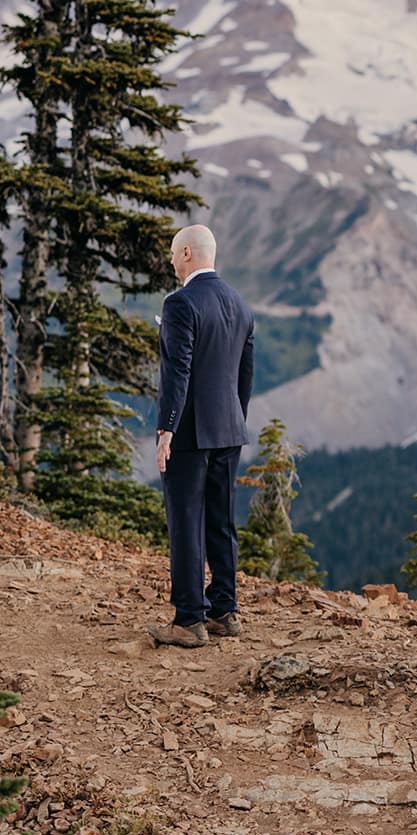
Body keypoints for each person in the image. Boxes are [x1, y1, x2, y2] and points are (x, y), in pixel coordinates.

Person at [149, 225, 255, 649]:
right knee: (221, 521)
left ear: (188, 252)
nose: (172, 261)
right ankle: (225, 611)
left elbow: (179, 371)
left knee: (185, 522)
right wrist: (234, 420)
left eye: (174, 254)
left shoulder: (180, 304)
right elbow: (244, 376)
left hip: (190, 433)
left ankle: (189, 619)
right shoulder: (240, 303)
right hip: (229, 430)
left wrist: (166, 430)